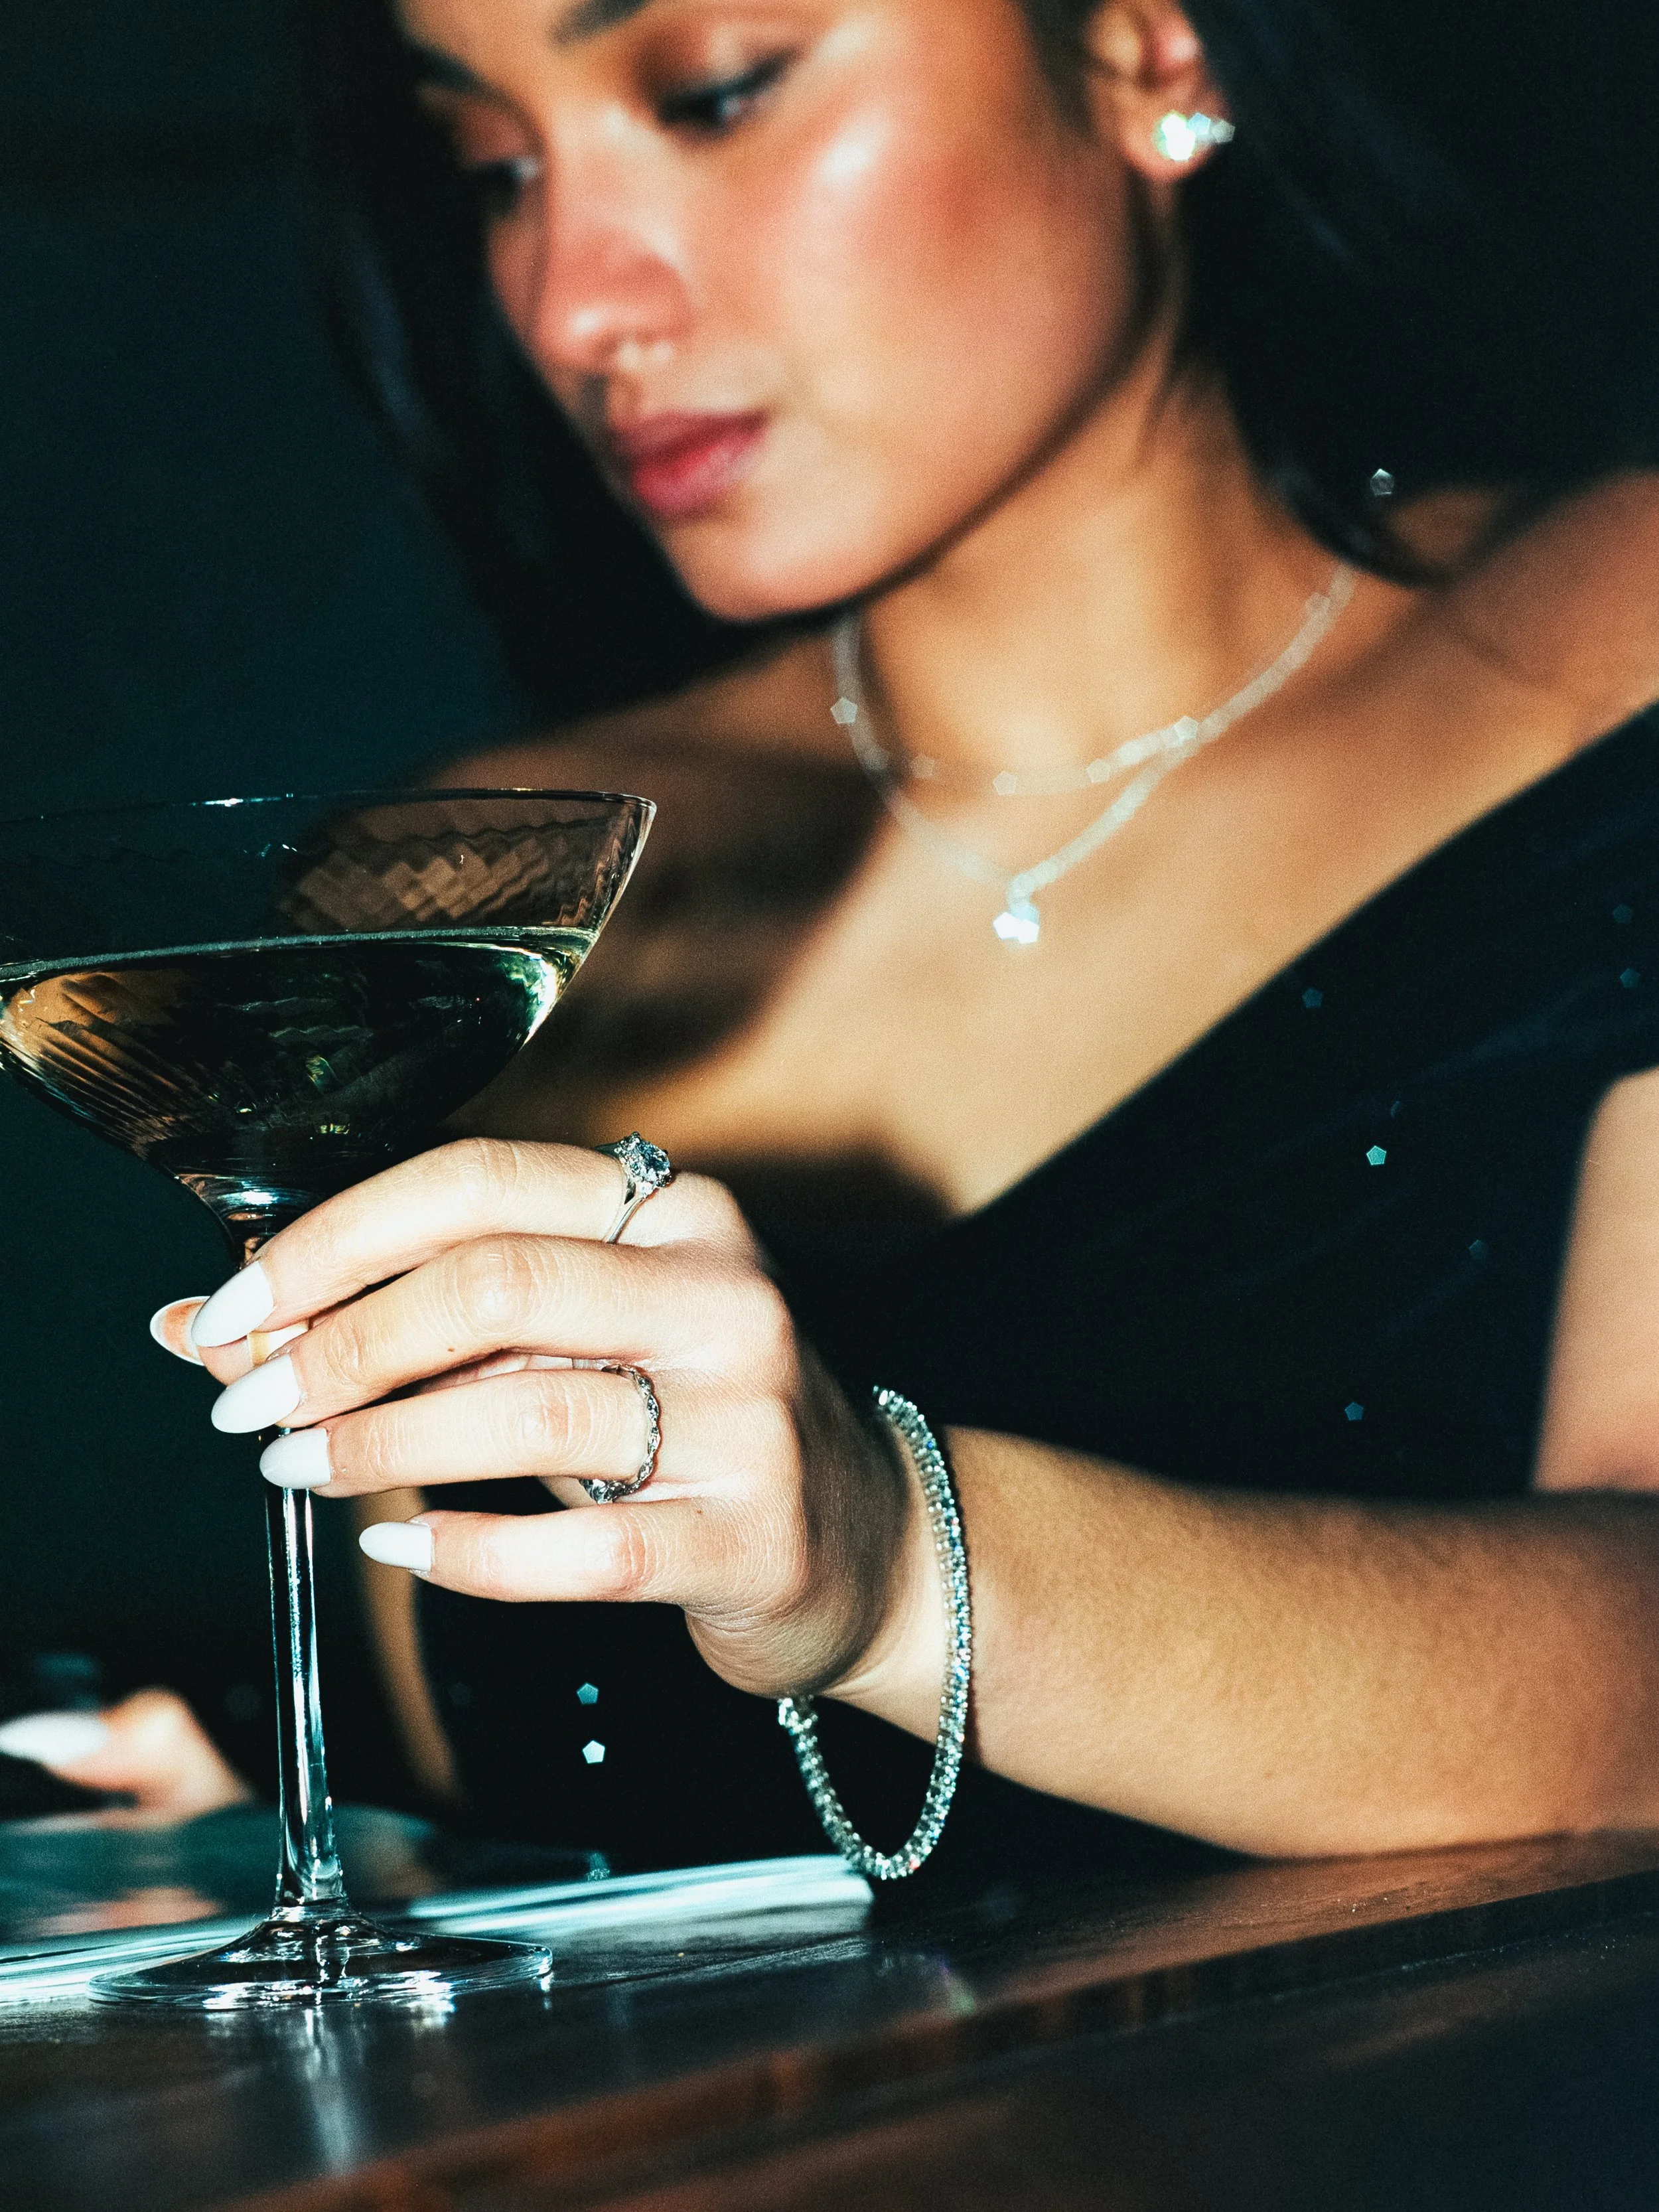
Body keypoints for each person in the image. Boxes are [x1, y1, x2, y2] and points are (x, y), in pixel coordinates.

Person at [114, 0, 1659, 1890]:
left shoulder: (1619, 657)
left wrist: (892, 1558)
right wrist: (282, 1813)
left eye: (713, 92)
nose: (576, 306)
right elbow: (482, 1800)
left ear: (1153, 54)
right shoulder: (466, 894)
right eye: (494, 173)